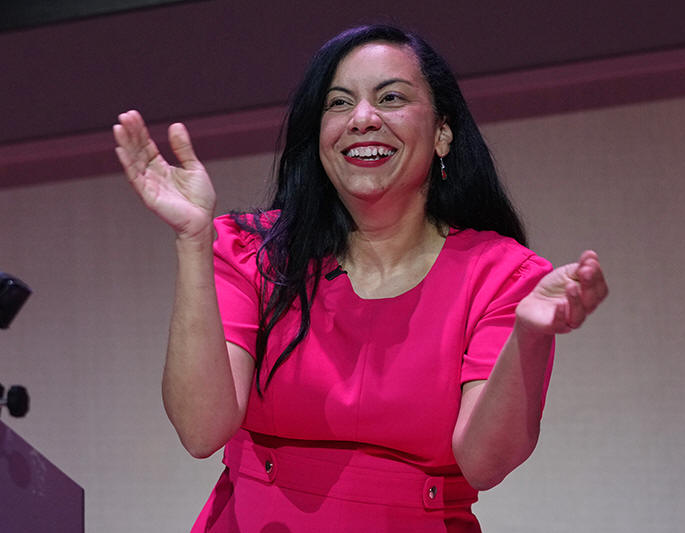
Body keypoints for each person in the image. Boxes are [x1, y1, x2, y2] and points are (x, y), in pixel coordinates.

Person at [113, 24, 607, 533]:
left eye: (391, 98)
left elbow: (485, 464)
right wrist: (193, 239)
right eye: (339, 103)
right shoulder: (253, 251)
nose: (363, 119)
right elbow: (200, 431)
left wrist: (529, 336)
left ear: (442, 132)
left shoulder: (502, 275)